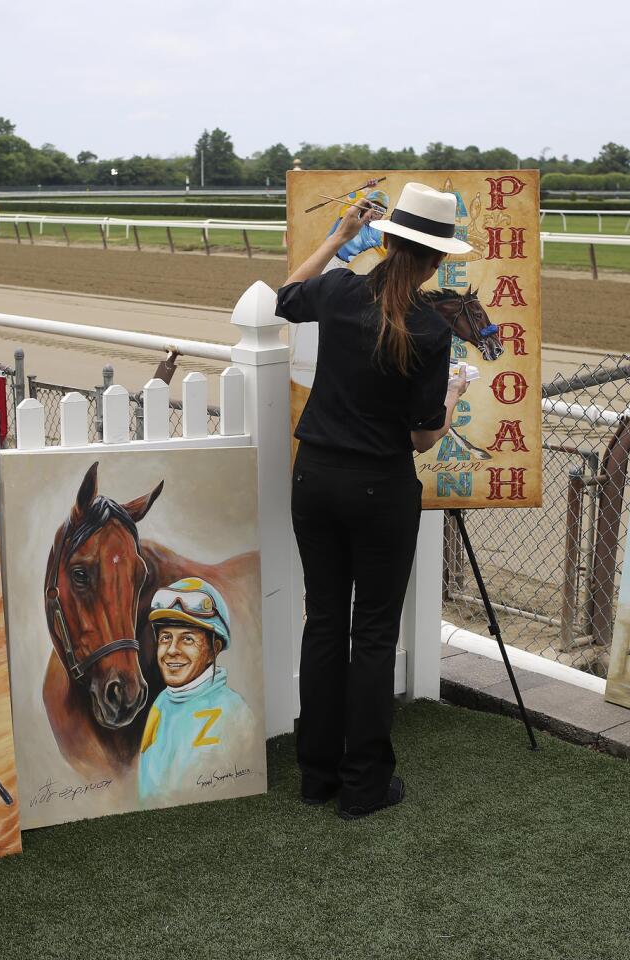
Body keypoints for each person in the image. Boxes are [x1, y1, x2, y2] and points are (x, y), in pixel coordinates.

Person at [275, 182, 471, 820]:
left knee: (325, 622)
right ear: (438, 260)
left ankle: (316, 775)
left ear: (383, 239)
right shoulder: (429, 329)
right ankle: (364, 785)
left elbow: (283, 299)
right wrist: (449, 404)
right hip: (379, 487)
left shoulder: (338, 291)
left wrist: (335, 237)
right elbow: (421, 436)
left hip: (316, 477)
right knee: (374, 632)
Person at [138, 578, 256, 806]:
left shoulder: (235, 712)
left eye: (187, 639)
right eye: (165, 638)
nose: (172, 650)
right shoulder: (161, 703)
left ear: (214, 649)